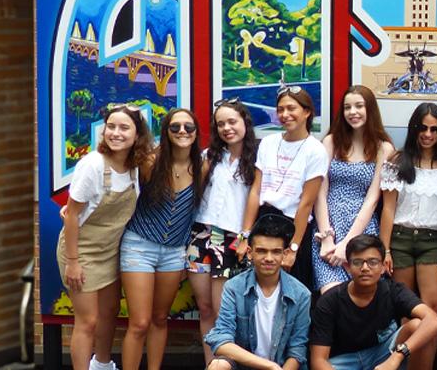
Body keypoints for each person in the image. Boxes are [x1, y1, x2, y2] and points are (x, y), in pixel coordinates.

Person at [58, 104, 153, 370]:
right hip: (81, 251)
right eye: (111, 126)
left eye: (124, 127)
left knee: (110, 311)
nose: (115, 133)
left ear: (137, 135)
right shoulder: (93, 165)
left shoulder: (135, 166)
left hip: (111, 250)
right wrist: (73, 262)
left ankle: (102, 364)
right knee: (87, 321)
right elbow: (72, 215)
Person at [121, 108, 204, 370]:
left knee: (160, 318)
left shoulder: (202, 167)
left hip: (173, 252)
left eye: (188, 127)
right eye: (175, 127)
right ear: (166, 131)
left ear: (196, 132)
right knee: (139, 323)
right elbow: (119, 175)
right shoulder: (150, 162)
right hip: (139, 245)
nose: (182, 131)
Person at [188, 98, 260, 365]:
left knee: (222, 312)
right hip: (200, 234)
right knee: (205, 309)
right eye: (221, 124)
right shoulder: (210, 155)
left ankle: (226, 364)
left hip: (231, 238)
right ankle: (211, 364)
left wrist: (245, 236)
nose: (227, 128)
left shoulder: (257, 157)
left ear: (245, 123)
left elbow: (256, 199)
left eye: (232, 122)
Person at [379, 102, 437, 369]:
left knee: (434, 308)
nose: (428, 134)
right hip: (400, 238)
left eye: (434, 129)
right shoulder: (398, 161)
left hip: (434, 240)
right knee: (407, 311)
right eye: (422, 128)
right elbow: (388, 209)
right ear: (413, 129)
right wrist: (385, 249)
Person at [310, 235, 437, 370]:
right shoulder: (329, 300)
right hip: (344, 361)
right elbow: (318, 360)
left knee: (419, 326)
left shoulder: (393, 290)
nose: (365, 268)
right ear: (348, 266)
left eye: (373, 262)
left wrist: (397, 357)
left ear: (383, 266)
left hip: (383, 354)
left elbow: (435, 321)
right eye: (357, 262)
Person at [238, 85, 328, 290]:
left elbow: (306, 204)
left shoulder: (316, 151)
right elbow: (255, 191)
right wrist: (245, 235)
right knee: (258, 289)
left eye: (291, 108)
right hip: (263, 219)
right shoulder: (268, 143)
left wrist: (293, 248)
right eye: (280, 110)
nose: (285, 114)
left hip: (293, 225)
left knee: (290, 291)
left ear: (307, 112)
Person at [313, 85, 394, 293]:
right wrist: (327, 238)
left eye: (359, 106)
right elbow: (319, 193)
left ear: (370, 109)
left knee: (363, 295)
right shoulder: (331, 142)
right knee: (331, 295)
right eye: (347, 107)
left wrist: (347, 244)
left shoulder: (383, 148)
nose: (353, 112)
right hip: (328, 227)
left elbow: (373, 199)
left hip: (363, 230)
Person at [204, 214, 311, 370]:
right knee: (218, 366)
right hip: (245, 366)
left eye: (276, 252)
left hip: (282, 367)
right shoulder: (234, 287)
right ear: (249, 252)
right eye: (261, 251)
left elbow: (297, 351)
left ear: (285, 254)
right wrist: (269, 366)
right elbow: (221, 340)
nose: (269, 258)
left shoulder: (301, 294)